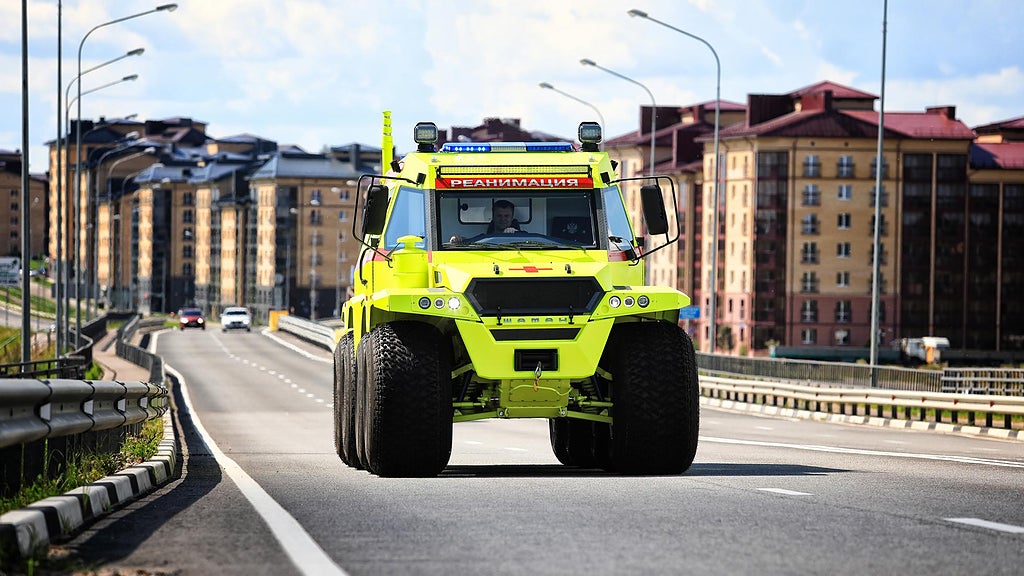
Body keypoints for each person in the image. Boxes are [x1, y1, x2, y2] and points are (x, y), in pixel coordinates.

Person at [450, 199, 521, 243]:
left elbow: (527, 242)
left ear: (512, 218)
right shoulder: (484, 238)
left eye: (506, 216)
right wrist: (458, 239)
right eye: (499, 216)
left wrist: (516, 234)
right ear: (493, 217)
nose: (503, 219)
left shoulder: (522, 238)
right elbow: (472, 241)